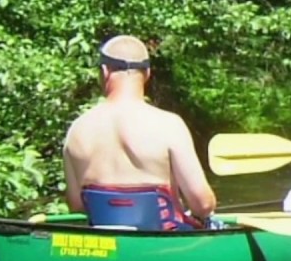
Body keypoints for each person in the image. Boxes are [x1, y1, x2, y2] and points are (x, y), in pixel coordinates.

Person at [63, 35, 216, 230]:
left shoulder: (77, 129)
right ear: (147, 73)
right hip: (165, 238)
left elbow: (76, 204)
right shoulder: (169, 125)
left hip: (106, 239)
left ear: (105, 71)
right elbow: (203, 204)